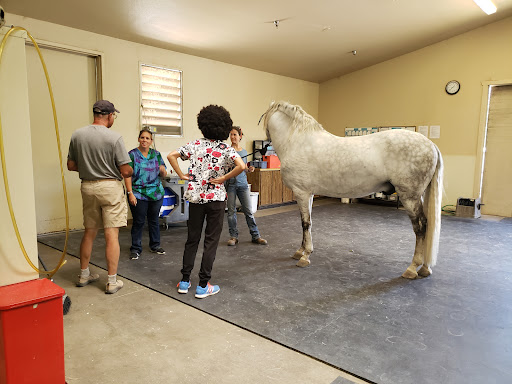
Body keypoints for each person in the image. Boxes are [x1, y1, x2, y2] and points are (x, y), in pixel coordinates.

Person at [167, 105, 245, 299]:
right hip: (216, 199)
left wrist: (181, 175)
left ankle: (184, 281)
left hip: (195, 198)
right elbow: (241, 166)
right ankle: (203, 285)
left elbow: (171, 156)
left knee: (192, 239)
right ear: (224, 127)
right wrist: (224, 178)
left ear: (203, 124)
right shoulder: (225, 148)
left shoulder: (195, 144)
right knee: (211, 241)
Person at [67, 100, 133, 294]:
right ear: (109, 115)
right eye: (114, 116)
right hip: (110, 188)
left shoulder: (77, 135)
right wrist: (128, 169)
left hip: (87, 187)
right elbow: (125, 170)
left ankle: (84, 274)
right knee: (111, 235)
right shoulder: (114, 137)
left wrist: (90, 168)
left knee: (89, 231)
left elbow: (71, 165)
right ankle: (112, 281)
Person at [125, 128, 167, 259]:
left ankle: (155, 245)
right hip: (138, 193)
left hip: (156, 193)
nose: (144, 140)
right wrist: (130, 193)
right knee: (139, 221)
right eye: (142, 137)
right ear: (138, 139)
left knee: (154, 220)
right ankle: (136, 248)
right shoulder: (132, 154)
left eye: (147, 138)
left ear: (151, 141)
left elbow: (164, 172)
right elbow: (127, 175)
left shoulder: (157, 154)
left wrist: (162, 170)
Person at [226, 126, 267, 246]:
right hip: (231, 185)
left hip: (243, 184)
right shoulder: (227, 151)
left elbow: (243, 169)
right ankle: (233, 236)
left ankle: (256, 236)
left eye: (235, 134)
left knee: (248, 211)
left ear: (240, 136)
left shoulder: (244, 152)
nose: (232, 137)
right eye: (231, 134)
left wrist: (249, 169)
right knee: (231, 212)